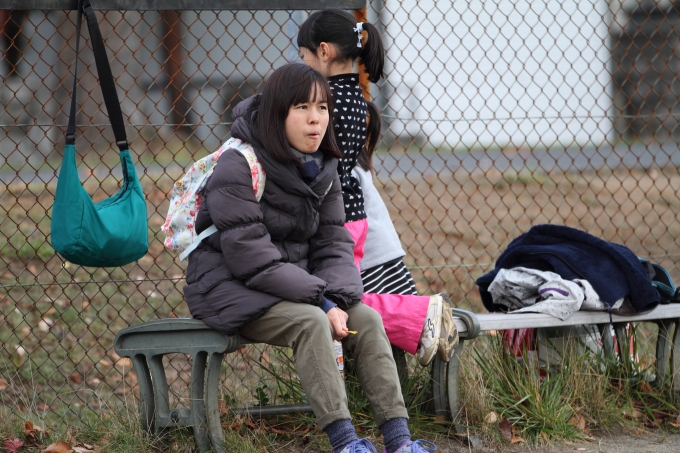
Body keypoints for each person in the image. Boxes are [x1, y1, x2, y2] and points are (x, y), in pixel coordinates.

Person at [183, 63, 437, 453]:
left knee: (367, 319)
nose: (315, 119)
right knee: (311, 323)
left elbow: (333, 243)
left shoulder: (323, 167)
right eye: (302, 107)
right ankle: (345, 443)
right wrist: (321, 302)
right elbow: (250, 257)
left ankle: (399, 440)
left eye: (322, 107)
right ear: (277, 113)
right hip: (228, 286)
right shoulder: (238, 164)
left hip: (290, 287)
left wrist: (337, 298)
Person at [297, 9, 457, 367]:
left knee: (334, 304)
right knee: (338, 300)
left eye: (303, 56)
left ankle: (419, 315)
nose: (301, 65)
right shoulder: (357, 99)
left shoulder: (325, 103)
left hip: (335, 220)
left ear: (323, 51)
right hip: (354, 218)